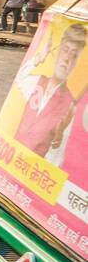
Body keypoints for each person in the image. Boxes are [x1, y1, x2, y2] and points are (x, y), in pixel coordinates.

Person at [14, 22, 86, 161]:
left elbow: (57, 158)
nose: (67, 59)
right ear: (57, 51)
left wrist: (57, 138)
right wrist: (39, 58)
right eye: (65, 50)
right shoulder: (37, 82)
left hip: (32, 168)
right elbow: (19, 80)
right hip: (10, 157)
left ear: (77, 62)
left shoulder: (70, 106)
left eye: (74, 55)